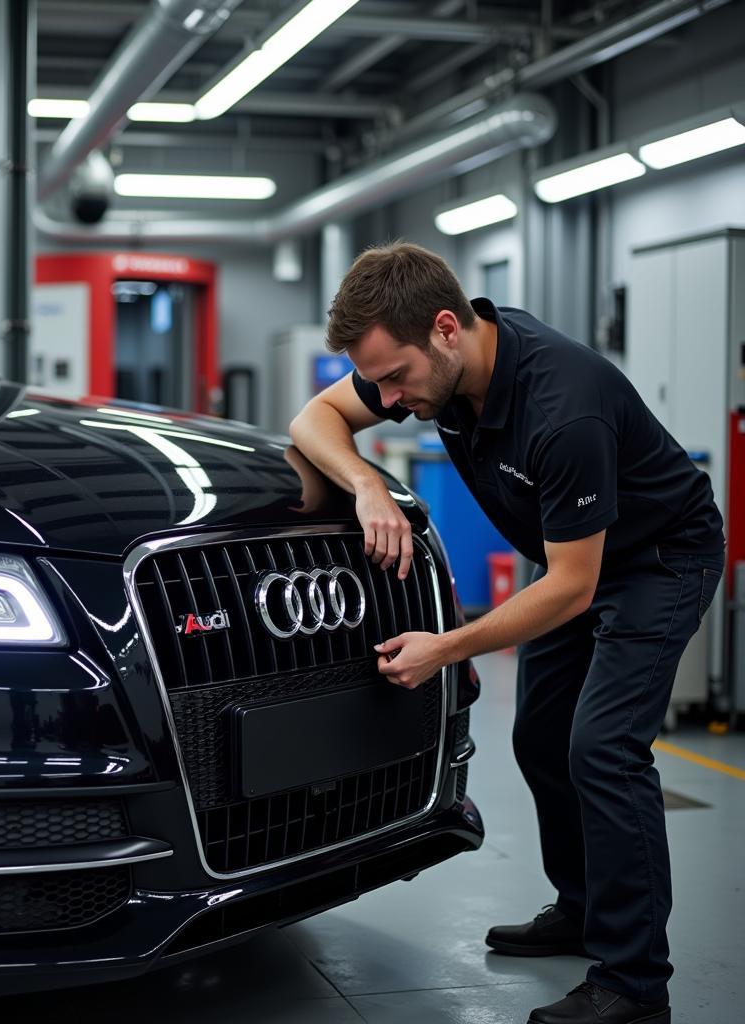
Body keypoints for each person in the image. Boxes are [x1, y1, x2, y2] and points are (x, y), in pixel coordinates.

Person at [288, 241, 725, 1024]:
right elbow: (313, 417)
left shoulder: (565, 408)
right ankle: (584, 907)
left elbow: (573, 587)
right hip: (574, 561)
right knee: (540, 735)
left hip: (658, 559)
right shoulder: (432, 367)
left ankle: (634, 983)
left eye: (396, 379)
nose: (386, 401)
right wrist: (364, 487)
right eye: (376, 382)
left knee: (604, 749)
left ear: (447, 329)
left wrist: (447, 647)